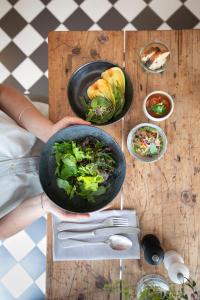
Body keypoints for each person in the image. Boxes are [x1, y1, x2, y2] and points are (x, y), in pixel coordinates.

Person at [0, 84, 90, 240]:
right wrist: (44, 204)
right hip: (42, 191)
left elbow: (1, 93)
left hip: (46, 122)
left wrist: (48, 131)